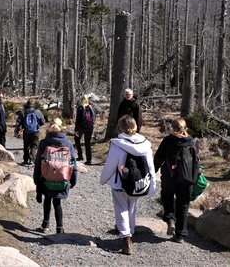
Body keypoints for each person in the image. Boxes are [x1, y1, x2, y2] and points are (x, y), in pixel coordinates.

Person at [99, 115, 156, 255]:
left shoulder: (117, 144)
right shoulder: (145, 144)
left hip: (120, 183)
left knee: (121, 208)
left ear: (121, 127)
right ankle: (131, 232)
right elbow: (150, 166)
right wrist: (152, 185)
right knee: (132, 208)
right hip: (138, 184)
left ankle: (126, 237)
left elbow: (110, 166)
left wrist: (103, 179)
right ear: (135, 126)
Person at [153, 117, 198, 243]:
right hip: (187, 179)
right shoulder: (191, 142)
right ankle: (180, 234)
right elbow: (196, 161)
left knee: (167, 198)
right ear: (185, 129)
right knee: (183, 205)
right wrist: (194, 179)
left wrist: (152, 172)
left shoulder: (168, 141)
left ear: (172, 129)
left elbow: (158, 158)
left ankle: (170, 218)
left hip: (170, 177)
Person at [33, 118, 78, 234]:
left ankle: (45, 224)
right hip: (62, 178)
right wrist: (73, 180)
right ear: (61, 128)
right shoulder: (68, 143)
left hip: (46, 177)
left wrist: (36, 179)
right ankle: (59, 228)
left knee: (47, 200)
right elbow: (73, 163)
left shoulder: (44, 143)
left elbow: (38, 162)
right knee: (57, 202)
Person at [14, 100, 45, 166]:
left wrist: (17, 131)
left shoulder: (23, 112)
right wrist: (38, 125)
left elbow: (18, 122)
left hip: (26, 131)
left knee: (26, 146)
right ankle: (32, 160)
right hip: (35, 131)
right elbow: (43, 121)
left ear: (26, 104)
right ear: (34, 105)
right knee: (34, 145)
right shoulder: (38, 112)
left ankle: (25, 160)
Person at [74, 95, 96, 165]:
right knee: (87, 143)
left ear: (81, 99)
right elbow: (94, 118)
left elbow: (78, 120)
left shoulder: (80, 107)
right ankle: (89, 160)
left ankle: (80, 155)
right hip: (90, 127)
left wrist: (76, 130)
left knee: (77, 139)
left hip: (81, 127)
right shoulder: (91, 107)